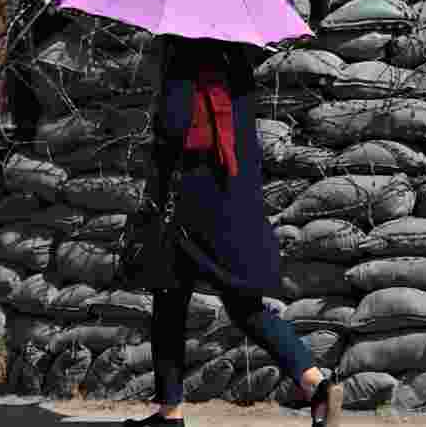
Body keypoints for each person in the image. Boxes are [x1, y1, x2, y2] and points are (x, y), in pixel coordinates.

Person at [123, 37, 343, 427]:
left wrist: (155, 136)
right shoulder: (237, 56)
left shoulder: (185, 54)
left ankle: (170, 412)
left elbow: (177, 125)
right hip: (236, 196)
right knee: (245, 305)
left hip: (189, 199)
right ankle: (316, 385)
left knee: (169, 302)